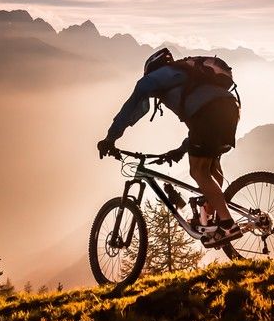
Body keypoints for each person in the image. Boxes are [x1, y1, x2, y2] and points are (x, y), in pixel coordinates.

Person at [97, 47, 242, 245]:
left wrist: (110, 138)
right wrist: (181, 150)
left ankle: (227, 225)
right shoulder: (187, 78)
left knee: (198, 172)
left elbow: (131, 106)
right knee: (211, 168)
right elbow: (198, 125)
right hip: (230, 109)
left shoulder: (154, 78)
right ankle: (213, 222)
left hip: (208, 115)